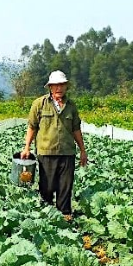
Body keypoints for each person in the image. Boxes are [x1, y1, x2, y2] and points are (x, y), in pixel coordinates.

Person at [21, 70, 88, 220]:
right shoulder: (39, 104)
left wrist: (83, 150)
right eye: (56, 85)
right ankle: (46, 213)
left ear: (66, 87)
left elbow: (76, 129)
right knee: (47, 186)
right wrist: (26, 148)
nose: (59, 88)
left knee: (65, 186)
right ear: (50, 87)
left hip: (67, 152)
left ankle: (65, 215)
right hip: (46, 152)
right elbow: (32, 127)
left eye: (62, 85)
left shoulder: (71, 106)